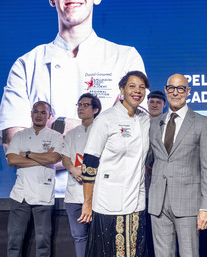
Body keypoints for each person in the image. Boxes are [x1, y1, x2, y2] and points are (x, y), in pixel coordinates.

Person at [0, 0, 146, 151]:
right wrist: (102, 130)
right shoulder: (26, 66)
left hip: (105, 183)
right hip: (43, 183)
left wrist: (52, 127)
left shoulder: (126, 59)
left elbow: (133, 136)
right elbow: (14, 145)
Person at [78, 71, 150, 257]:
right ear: (122, 89)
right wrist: (87, 202)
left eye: (142, 87)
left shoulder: (144, 119)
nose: (137, 91)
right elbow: (89, 163)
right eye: (132, 86)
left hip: (137, 201)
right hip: (108, 201)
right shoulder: (106, 119)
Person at [147, 74, 207, 257]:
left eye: (180, 88)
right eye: (171, 88)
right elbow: (148, 160)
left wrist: (206, 207)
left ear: (188, 91)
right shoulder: (154, 124)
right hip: (158, 202)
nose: (175, 93)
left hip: (189, 203)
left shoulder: (202, 122)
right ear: (166, 90)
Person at [5, 101, 64, 257]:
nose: (39, 115)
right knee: (14, 242)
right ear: (31, 114)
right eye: (36, 112)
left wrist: (26, 154)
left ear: (49, 116)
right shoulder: (20, 135)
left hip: (43, 195)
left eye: (43, 112)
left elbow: (54, 158)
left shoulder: (56, 136)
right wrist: (43, 158)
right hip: (20, 195)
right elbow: (11, 160)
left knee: (43, 242)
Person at [61, 93, 101, 257]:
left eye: (86, 105)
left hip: (97, 194)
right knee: (79, 237)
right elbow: (65, 157)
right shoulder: (71, 134)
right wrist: (72, 168)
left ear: (95, 110)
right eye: (79, 105)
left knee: (98, 237)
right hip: (73, 195)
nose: (81, 108)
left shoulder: (101, 132)